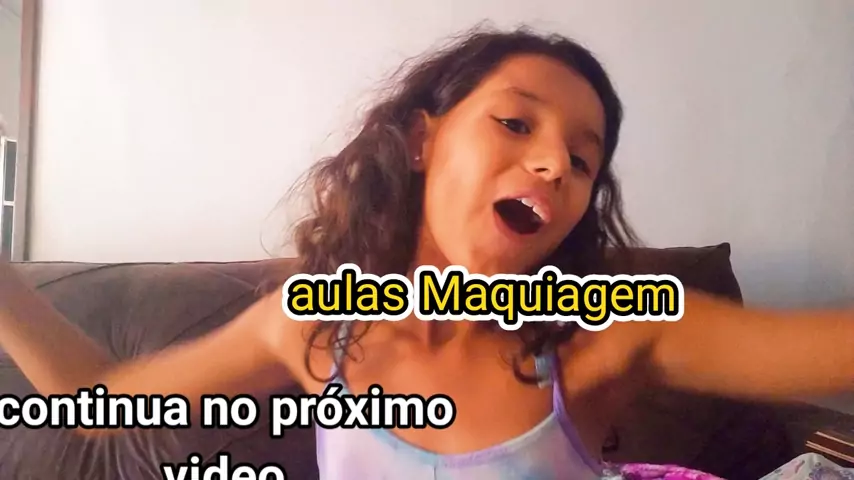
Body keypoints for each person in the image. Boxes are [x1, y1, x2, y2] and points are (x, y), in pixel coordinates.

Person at [1, 26, 852, 480]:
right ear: (420, 140)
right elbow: (94, 403)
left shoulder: (609, 335)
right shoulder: (312, 326)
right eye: (515, 123)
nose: (555, 165)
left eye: (583, 159)